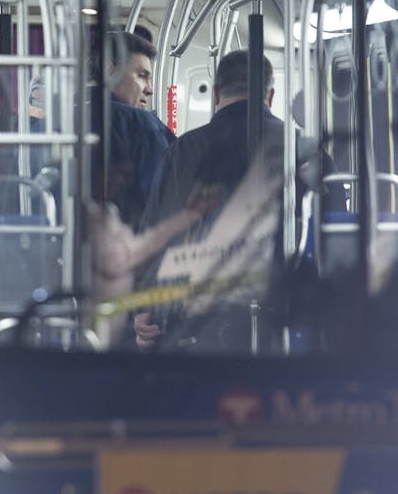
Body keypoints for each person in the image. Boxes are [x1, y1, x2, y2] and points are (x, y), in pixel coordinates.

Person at [132, 51, 333, 351]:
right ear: (271, 95)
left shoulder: (184, 149)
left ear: (216, 93)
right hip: (284, 308)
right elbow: (331, 230)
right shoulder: (306, 150)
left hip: (199, 312)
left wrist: (147, 305)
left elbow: (160, 229)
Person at [99, 31, 174, 230]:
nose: (149, 89)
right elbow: (168, 199)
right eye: (142, 76)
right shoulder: (143, 126)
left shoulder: (48, 125)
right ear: (110, 72)